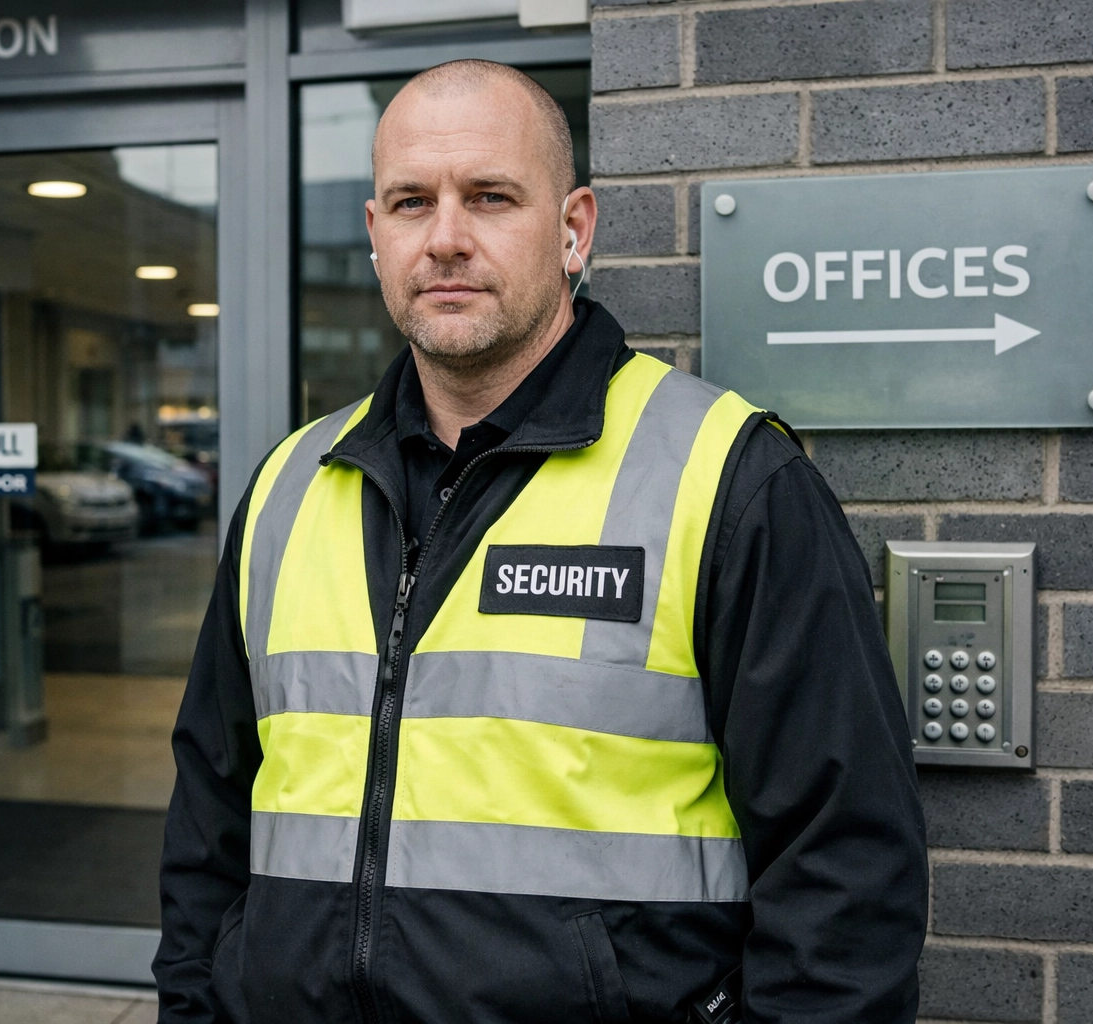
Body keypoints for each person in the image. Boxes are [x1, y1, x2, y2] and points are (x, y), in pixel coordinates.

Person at [154, 59, 927, 1024]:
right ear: (376, 235)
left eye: (489, 197)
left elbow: (846, 871)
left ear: (573, 230)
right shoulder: (288, 486)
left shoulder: (728, 480)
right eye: (411, 202)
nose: (445, 238)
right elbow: (208, 828)